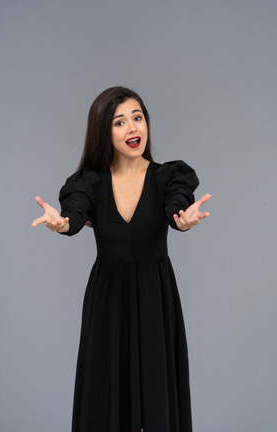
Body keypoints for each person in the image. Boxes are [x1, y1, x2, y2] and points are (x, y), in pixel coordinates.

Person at [32, 86, 210, 432]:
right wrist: (62, 223)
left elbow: (177, 206)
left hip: (156, 300)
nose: (133, 128)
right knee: (105, 397)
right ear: (104, 132)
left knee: (156, 397)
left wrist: (183, 220)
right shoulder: (90, 182)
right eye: (120, 122)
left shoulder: (167, 177)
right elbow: (74, 211)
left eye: (137, 118)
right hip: (108, 301)